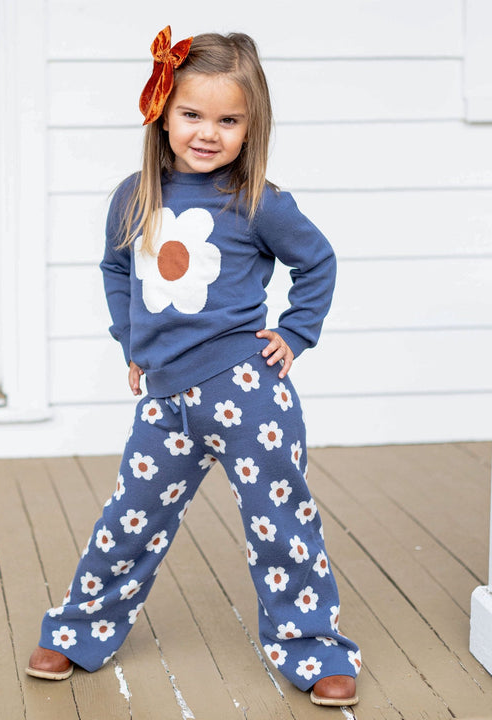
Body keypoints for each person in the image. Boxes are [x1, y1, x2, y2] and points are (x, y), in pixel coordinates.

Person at [27, 26, 361, 707]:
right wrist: (131, 343)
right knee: (130, 517)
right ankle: (80, 627)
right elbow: (117, 268)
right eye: (192, 115)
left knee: (281, 521)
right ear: (163, 112)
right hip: (164, 400)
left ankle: (312, 647)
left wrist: (295, 334)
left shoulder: (258, 199)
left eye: (228, 119)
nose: (208, 132)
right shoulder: (135, 195)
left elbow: (317, 261)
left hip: (248, 394)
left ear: (251, 125)